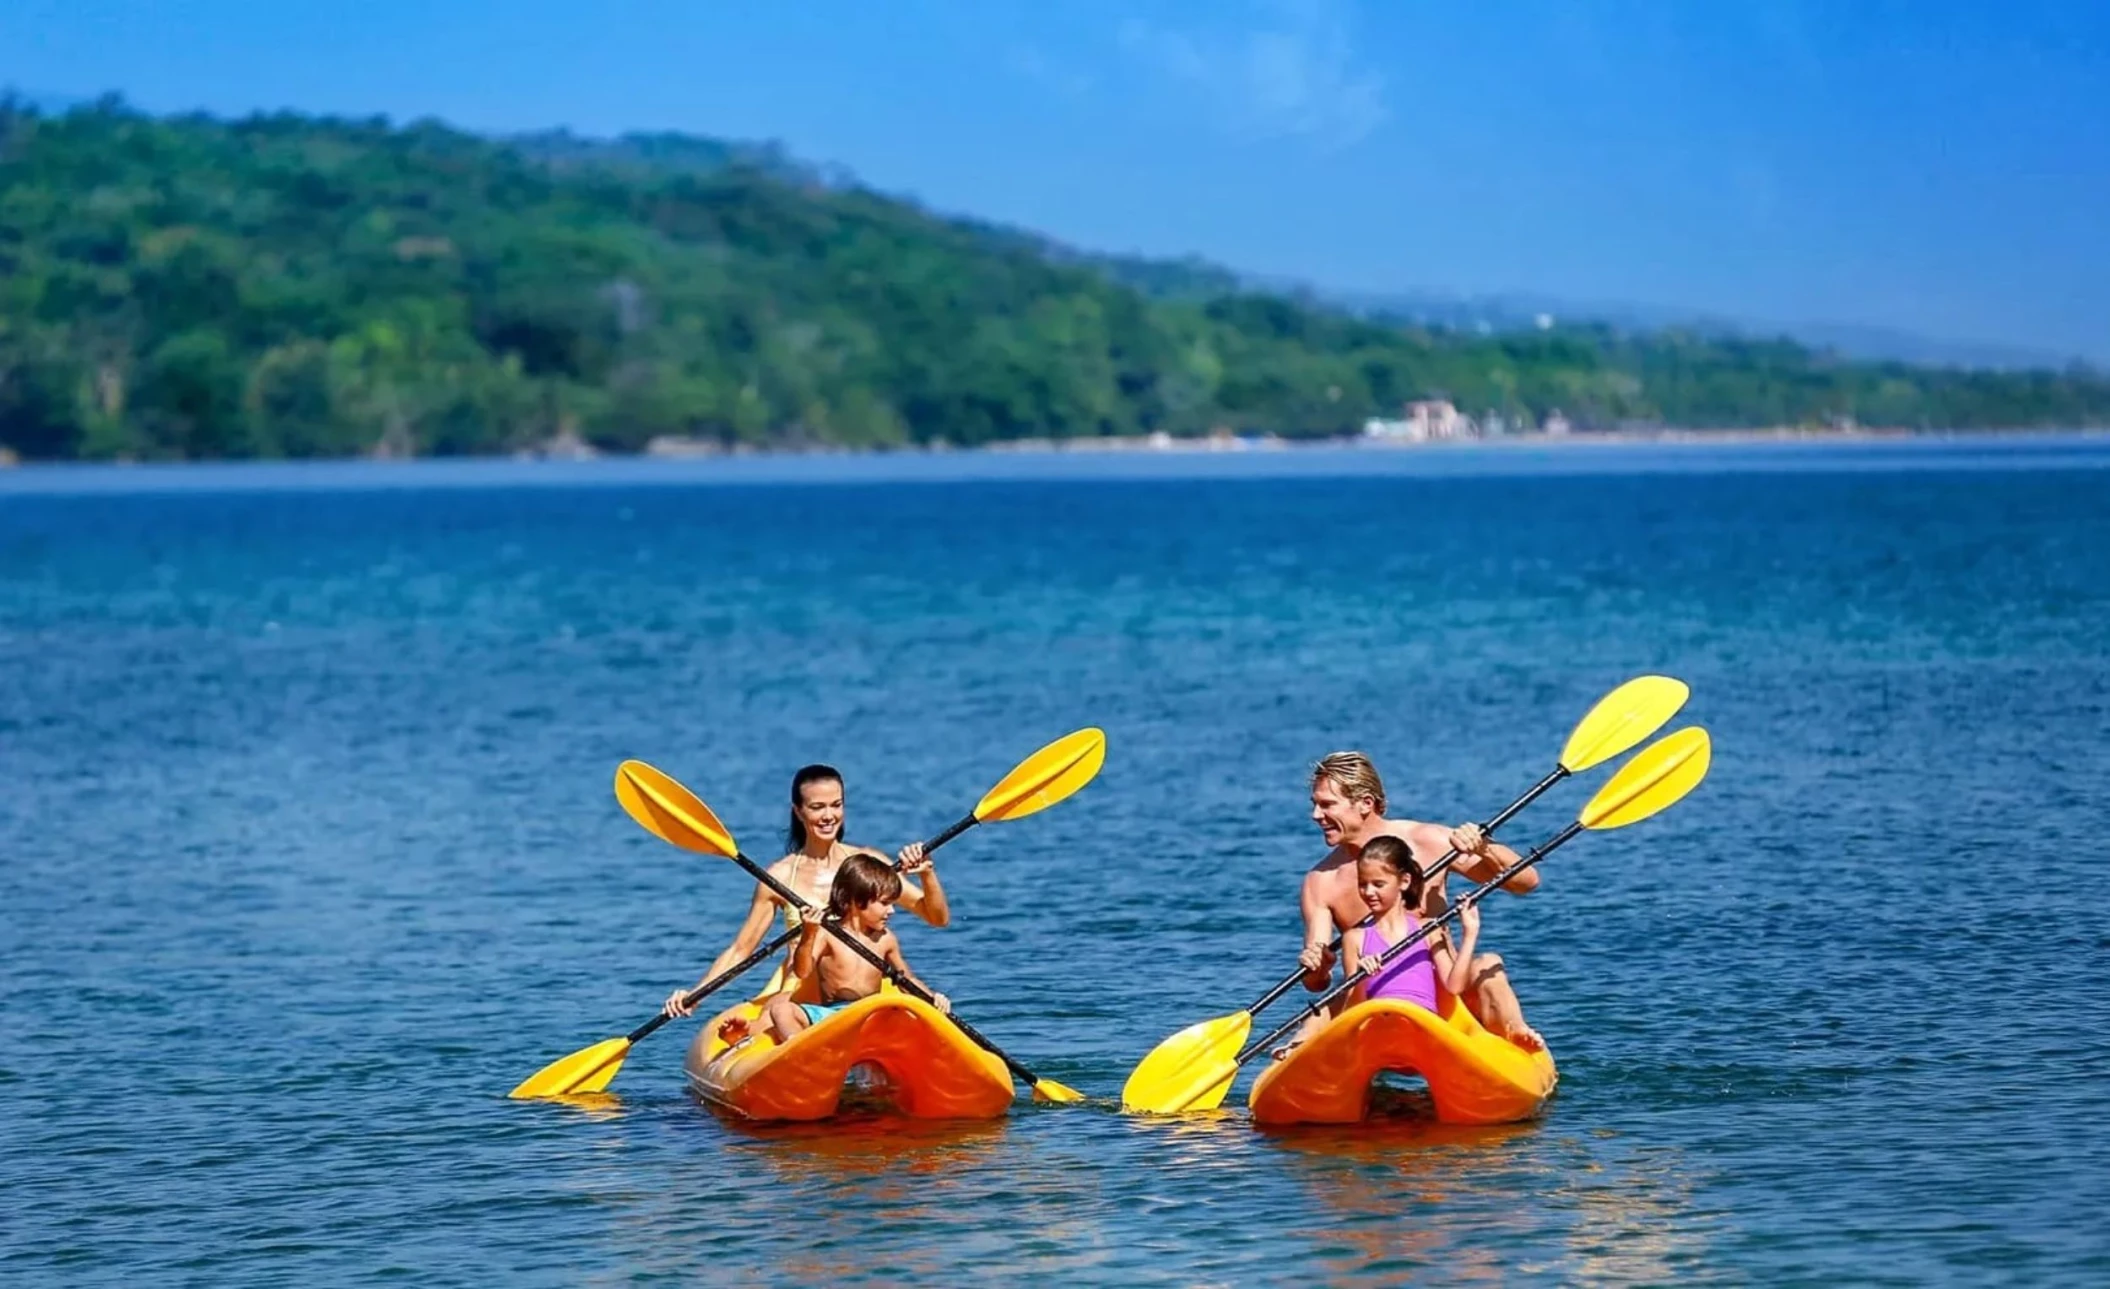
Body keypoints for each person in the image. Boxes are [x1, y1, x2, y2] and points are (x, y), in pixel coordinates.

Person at [1291, 751, 1543, 1051]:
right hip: (1374, 1003)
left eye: (1327, 805)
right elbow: (1316, 982)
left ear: (1365, 804)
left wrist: (1484, 847)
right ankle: (1292, 1063)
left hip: (1447, 996)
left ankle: (1517, 1038)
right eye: (1315, 804)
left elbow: (1526, 882)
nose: (1316, 815)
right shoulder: (1321, 881)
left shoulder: (1429, 842)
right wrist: (1317, 967)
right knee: (1322, 1009)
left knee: (1487, 966)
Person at [662, 763, 948, 1018]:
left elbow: (936, 918)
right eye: (817, 807)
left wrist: (927, 874)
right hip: (800, 987)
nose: (828, 815)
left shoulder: (869, 866)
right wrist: (695, 996)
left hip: (864, 982)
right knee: (770, 1020)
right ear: (798, 811)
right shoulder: (780, 877)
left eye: (836, 805)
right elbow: (740, 950)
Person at [741, 854, 950, 1045]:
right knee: (781, 1010)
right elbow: (802, 971)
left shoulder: (885, 939)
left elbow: (908, 981)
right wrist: (809, 933)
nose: (892, 911)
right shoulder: (827, 934)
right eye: (885, 903)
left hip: (872, 1016)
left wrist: (932, 998)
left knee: (906, 1011)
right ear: (856, 902)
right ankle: (799, 1046)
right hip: (833, 1017)